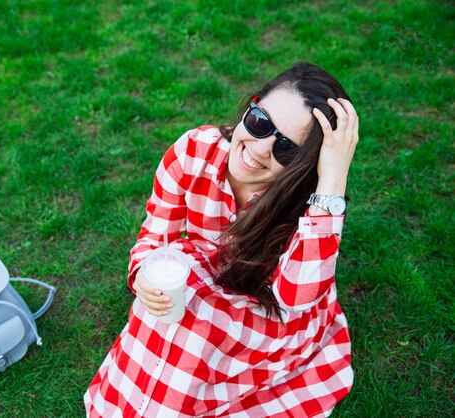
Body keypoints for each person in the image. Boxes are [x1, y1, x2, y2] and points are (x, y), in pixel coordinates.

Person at [84, 62, 359, 417]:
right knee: (171, 310)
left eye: (287, 149)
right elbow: (155, 236)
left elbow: (295, 298)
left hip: (269, 308)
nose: (261, 149)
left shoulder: (310, 202)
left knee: (193, 329)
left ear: (306, 164)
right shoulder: (192, 152)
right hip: (205, 276)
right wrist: (141, 276)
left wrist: (333, 179)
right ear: (250, 106)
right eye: (261, 123)